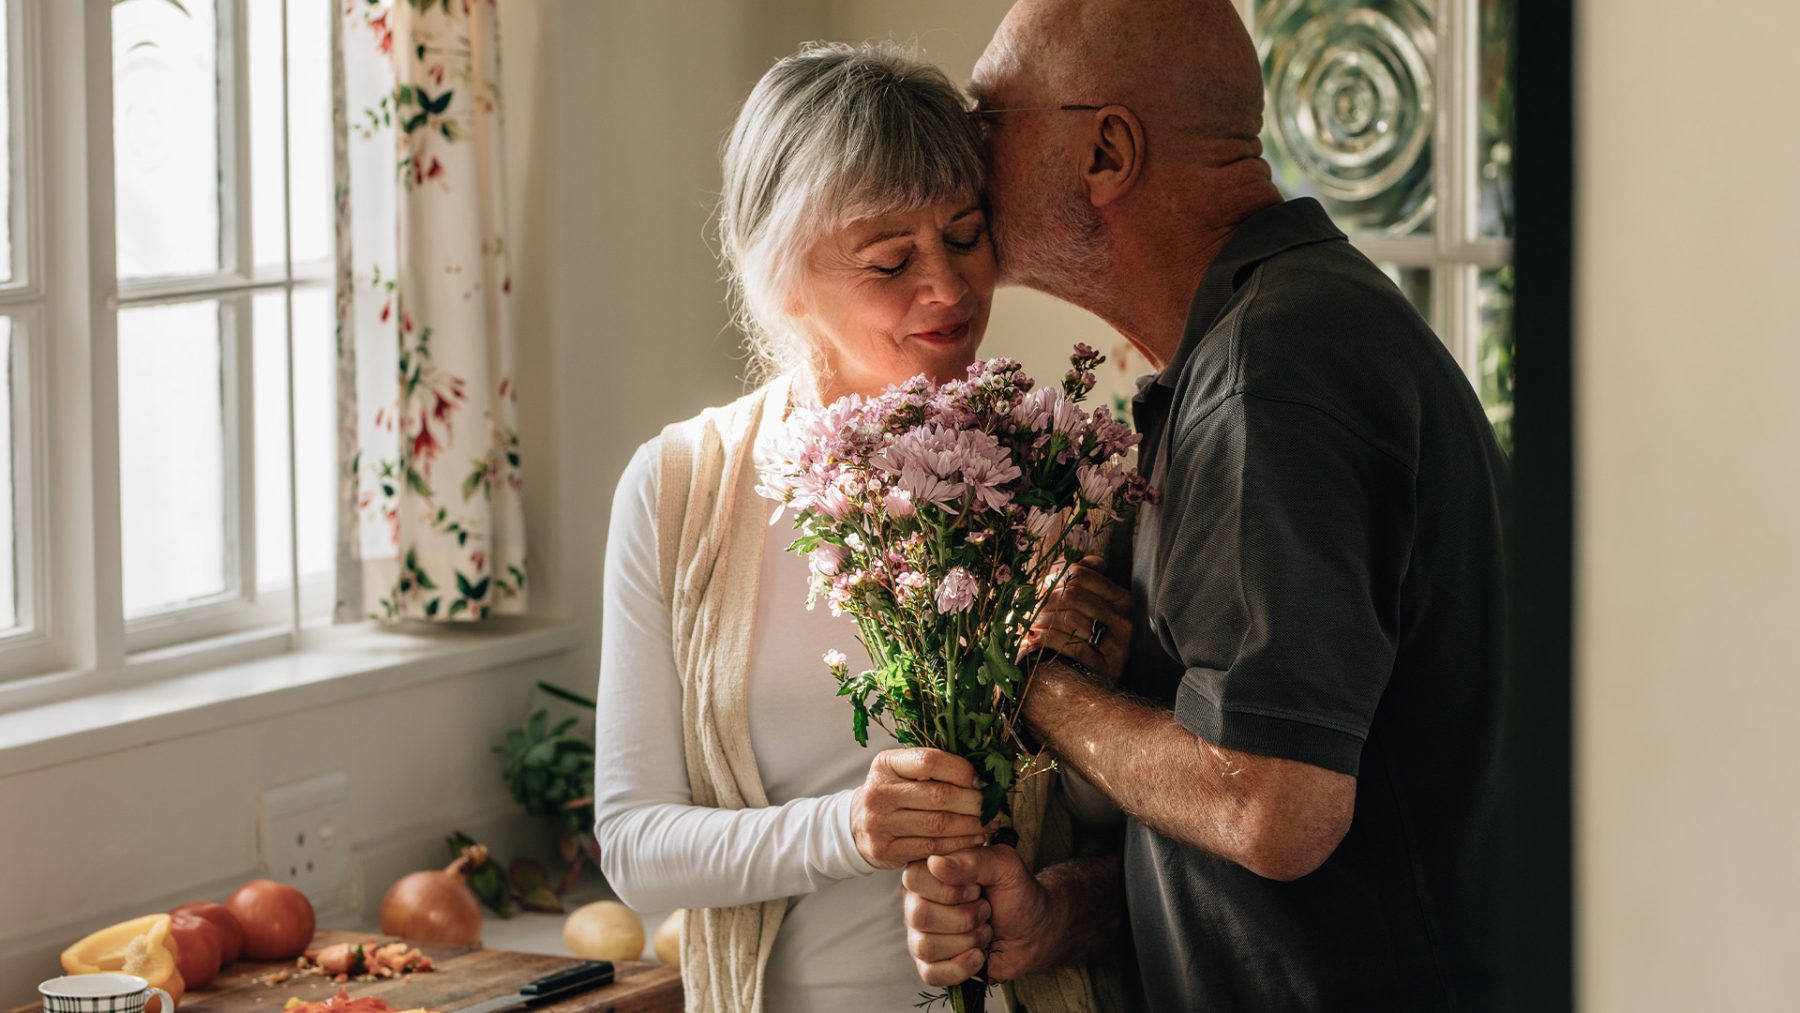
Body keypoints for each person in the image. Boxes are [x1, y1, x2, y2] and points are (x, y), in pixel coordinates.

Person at [901, 1, 1509, 1010]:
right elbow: (1294, 837)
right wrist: (1063, 914)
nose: (966, 150)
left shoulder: (1271, 377)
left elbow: (1274, 807)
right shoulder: (1274, 340)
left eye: (992, 116)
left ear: (1105, 151)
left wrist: (1042, 686)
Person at [592, 42, 1117, 1013]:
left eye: (966, 234)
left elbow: (1112, 837)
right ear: (784, 277)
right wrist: (850, 829)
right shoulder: (680, 489)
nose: (951, 289)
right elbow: (635, 849)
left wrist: (1083, 687)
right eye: (890, 259)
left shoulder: (1061, 480)